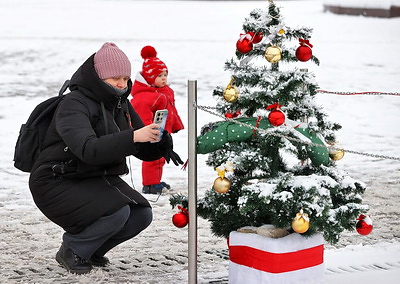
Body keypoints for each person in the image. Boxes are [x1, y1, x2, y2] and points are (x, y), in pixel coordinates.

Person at [28, 42, 183, 274]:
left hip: (94, 177)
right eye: (114, 79)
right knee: (116, 211)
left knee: (141, 213)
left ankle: (92, 250)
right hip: (56, 179)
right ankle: (73, 249)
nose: (122, 84)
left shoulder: (120, 104)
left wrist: (160, 142)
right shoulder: (73, 103)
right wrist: (134, 136)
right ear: (98, 77)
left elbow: (140, 148)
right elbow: (88, 149)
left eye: (125, 78)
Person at [130, 46, 184, 194]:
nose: (164, 78)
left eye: (165, 75)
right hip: (151, 134)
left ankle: (155, 181)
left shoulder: (164, 92)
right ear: (149, 77)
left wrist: (175, 125)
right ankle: (149, 184)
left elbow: (171, 110)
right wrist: (149, 132)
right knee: (152, 159)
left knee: (161, 158)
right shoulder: (143, 97)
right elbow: (140, 117)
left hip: (163, 133)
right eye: (159, 76)